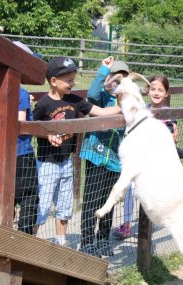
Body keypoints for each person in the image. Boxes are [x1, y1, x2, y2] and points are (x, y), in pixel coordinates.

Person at [33, 56, 121, 246]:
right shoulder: (43, 104)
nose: (73, 83)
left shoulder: (75, 101)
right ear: (54, 81)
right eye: (69, 80)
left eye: (73, 79)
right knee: (43, 205)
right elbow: (32, 127)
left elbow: (100, 111)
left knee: (65, 205)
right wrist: (47, 135)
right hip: (47, 163)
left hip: (66, 162)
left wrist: (122, 107)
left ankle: (61, 241)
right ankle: (30, 241)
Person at [114, 74, 183, 240]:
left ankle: (164, 220)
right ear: (147, 91)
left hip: (157, 161)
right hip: (140, 158)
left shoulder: (168, 113)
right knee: (131, 190)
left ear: (166, 93)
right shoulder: (142, 110)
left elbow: (173, 135)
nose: (156, 93)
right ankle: (127, 224)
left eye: (160, 90)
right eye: (153, 89)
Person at [79, 56, 129, 257]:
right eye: (112, 79)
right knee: (91, 200)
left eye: (120, 80)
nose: (115, 84)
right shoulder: (100, 98)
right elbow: (91, 93)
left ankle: (103, 239)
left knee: (109, 201)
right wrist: (103, 71)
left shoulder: (129, 103)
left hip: (115, 161)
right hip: (96, 156)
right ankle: (87, 241)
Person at [12, 40, 40, 235]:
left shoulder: (2, 88)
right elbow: (20, 124)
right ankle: (25, 235)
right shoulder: (21, 92)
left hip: (3, 151)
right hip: (22, 152)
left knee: (7, 194)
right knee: (30, 195)